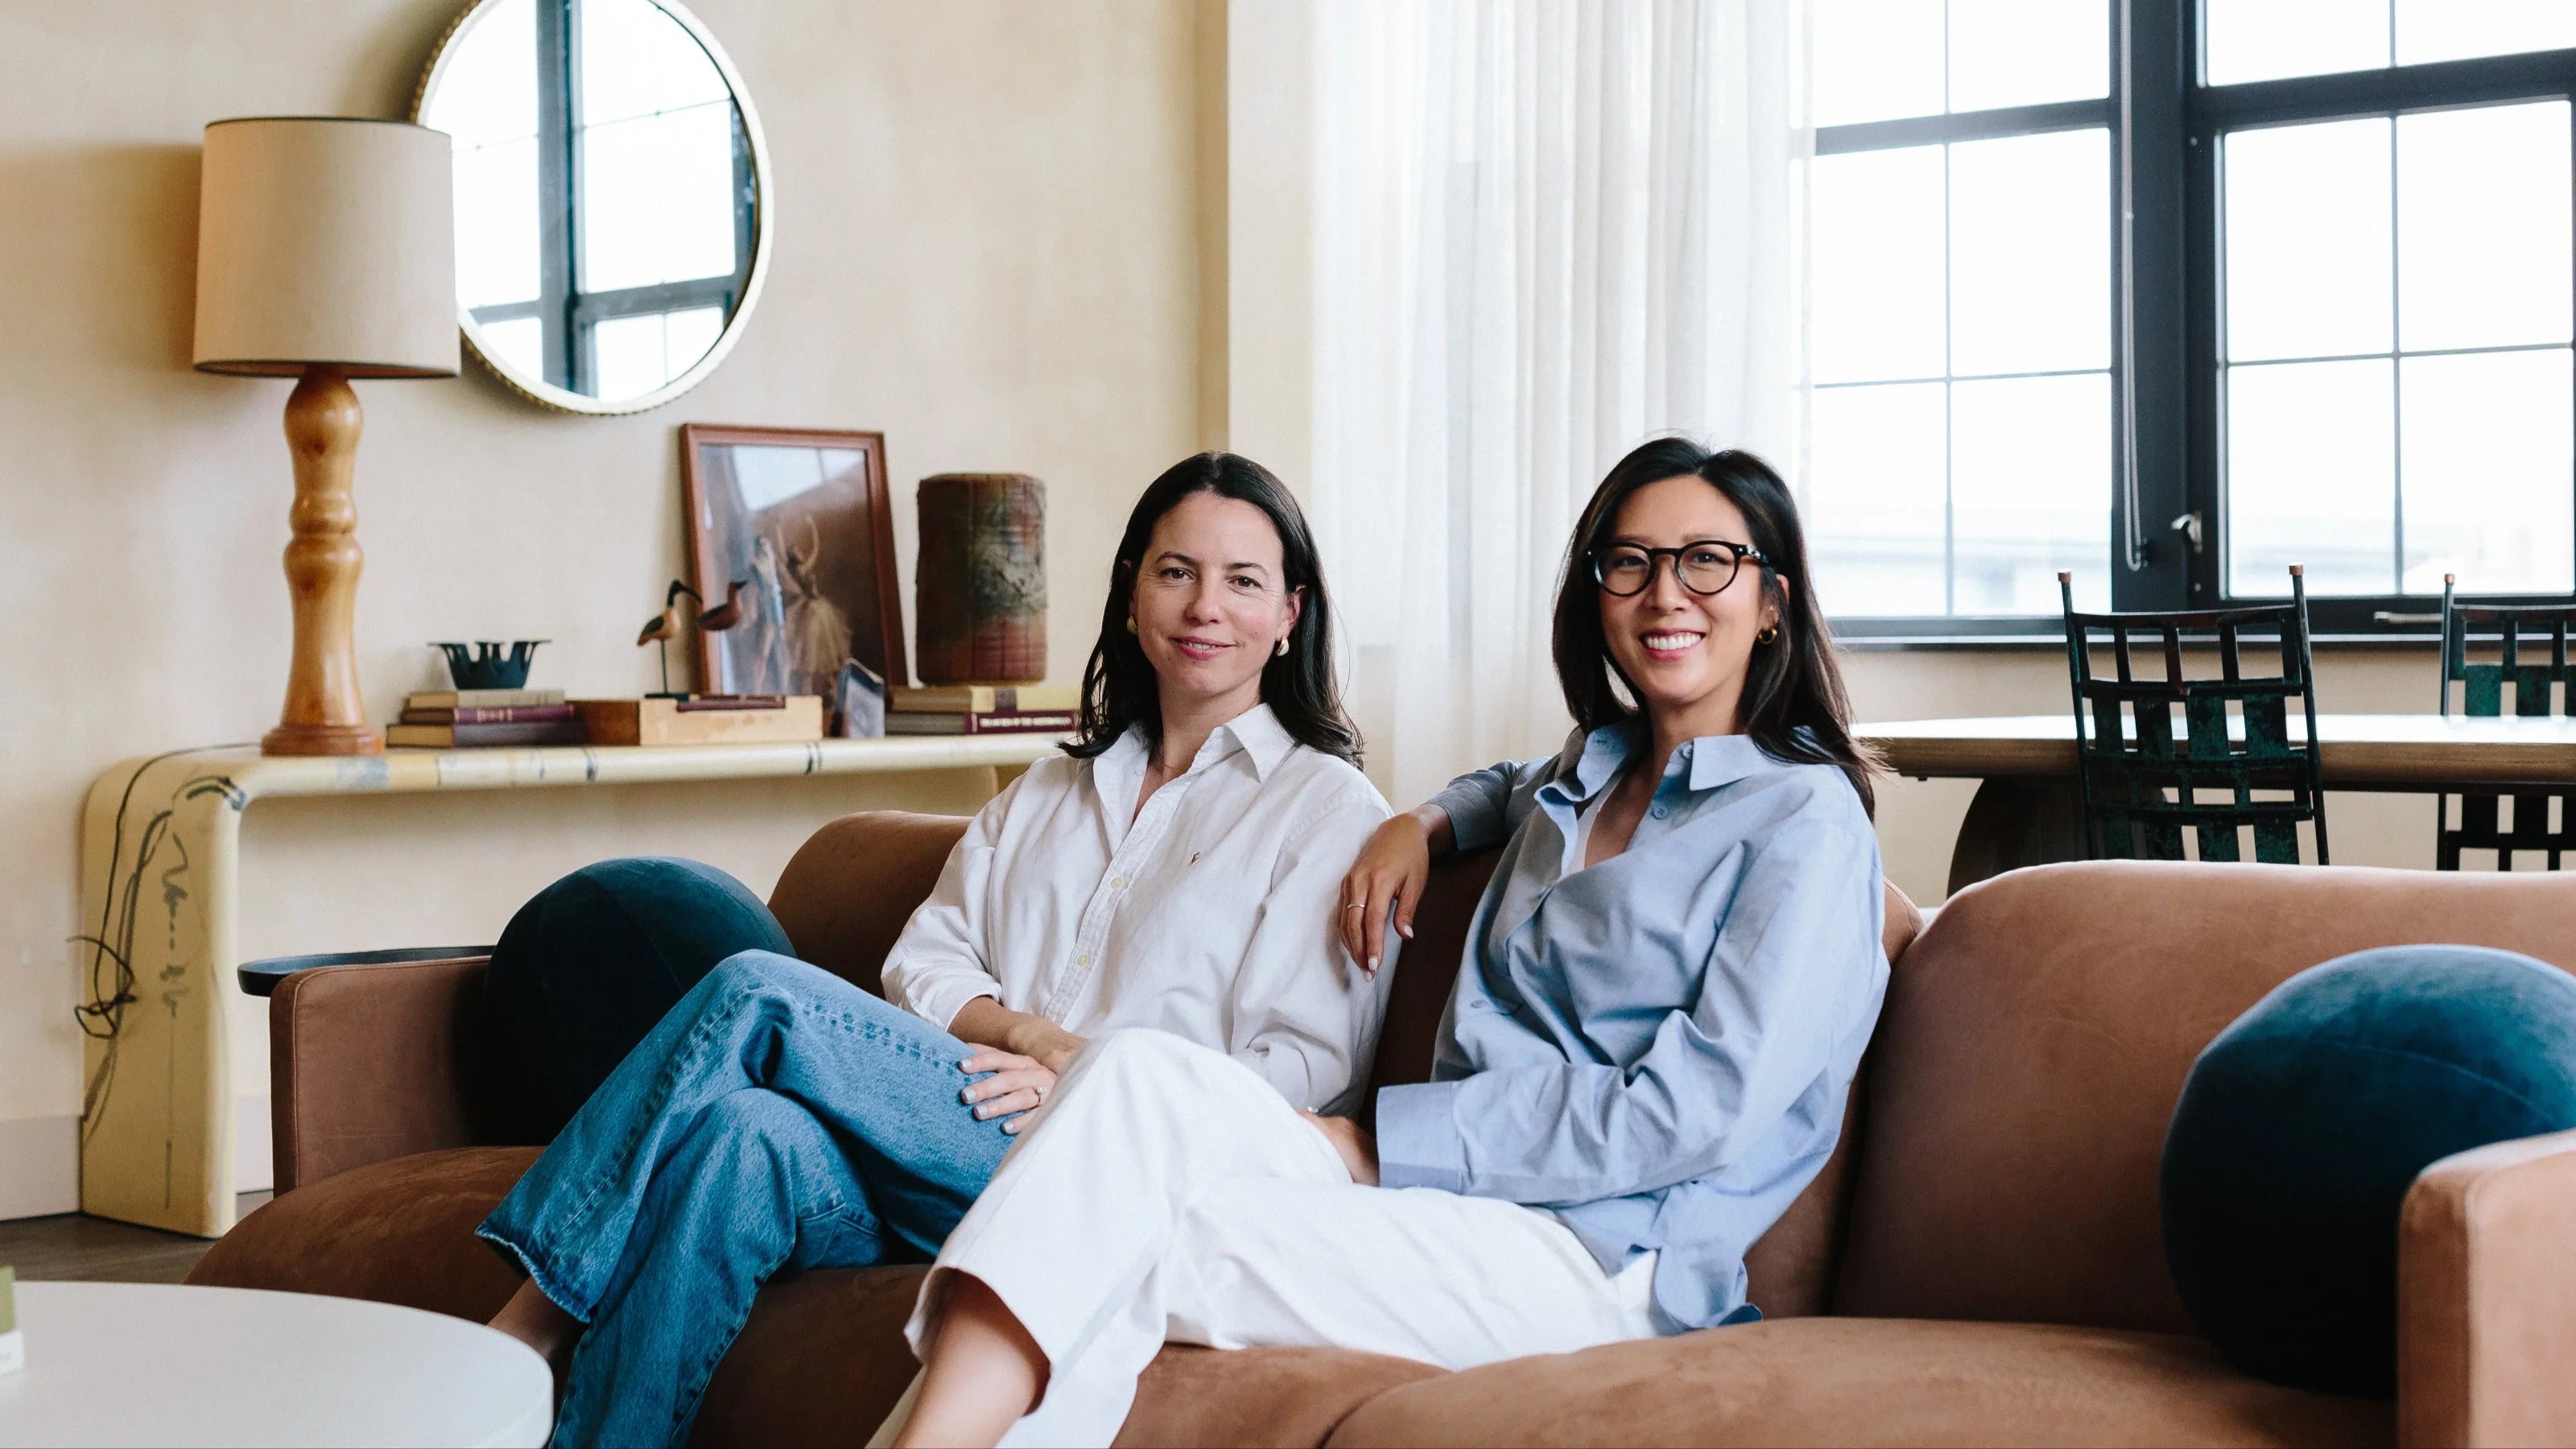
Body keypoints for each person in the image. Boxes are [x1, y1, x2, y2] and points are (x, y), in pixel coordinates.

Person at [884, 439, 1889, 1448]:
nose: (1665, 593)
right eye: (1628, 563)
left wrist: (1388, 1143)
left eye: (1706, 560)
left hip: (1600, 1255)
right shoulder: (1585, 773)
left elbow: (1688, 1114)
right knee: (1134, 1077)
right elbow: (1500, 785)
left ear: (1771, 601)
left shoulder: (1804, 824)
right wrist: (1419, 822)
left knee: (1110, 1233)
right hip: (1444, 1205)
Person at [477, 452, 1394, 1448]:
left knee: (756, 990)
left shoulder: (1326, 811)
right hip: (963, 1128)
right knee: (738, 1139)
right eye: (1174, 571)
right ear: (1132, 589)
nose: (1203, 605)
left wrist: (1099, 1091)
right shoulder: (1048, 789)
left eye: (1242, 580)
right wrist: (1033, 1040)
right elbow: (924, 964)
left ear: (1290, 613)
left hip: (1121, 1176)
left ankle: (527, 1324)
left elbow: (1297, 1079)